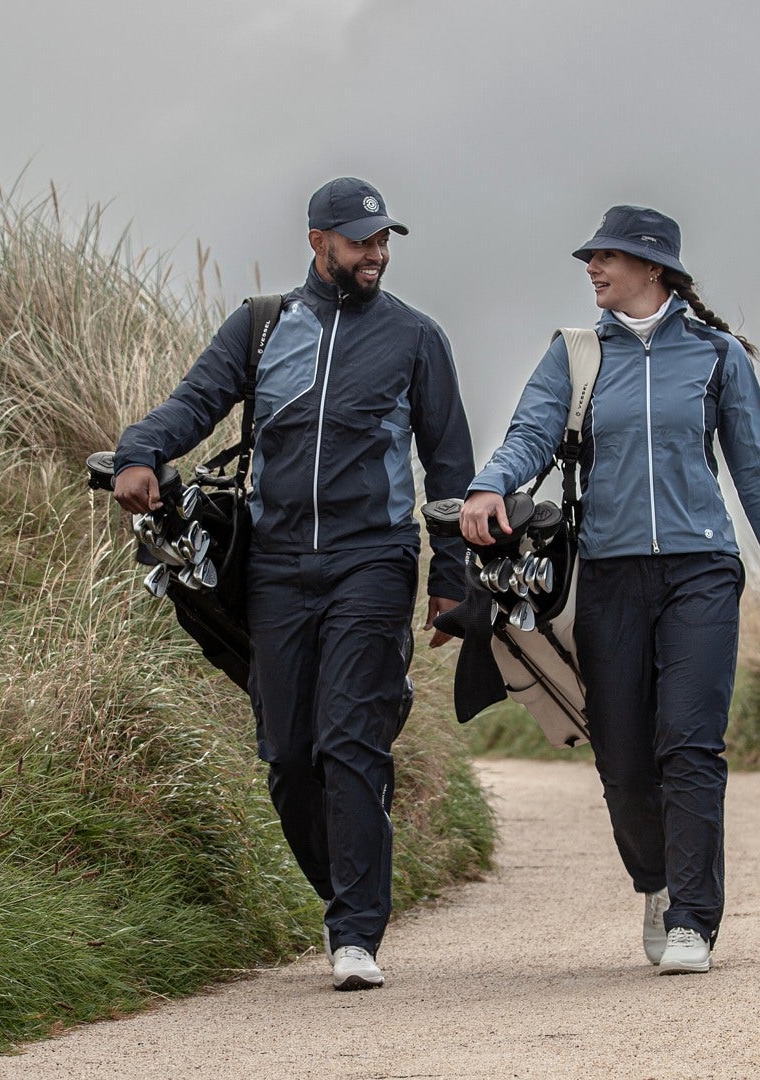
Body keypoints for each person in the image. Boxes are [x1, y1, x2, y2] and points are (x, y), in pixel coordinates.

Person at [113, 178, 473, 991]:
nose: (375, 255)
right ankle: (346, 891)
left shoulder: (416, 338)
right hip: (275, 564)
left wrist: (450, 583)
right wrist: (140, 452)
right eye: (360, 242)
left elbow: (450, 466)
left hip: (372, 559)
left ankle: (356, 932)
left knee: (350, 739)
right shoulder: (262, 326)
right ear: (319, 243)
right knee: (286, 754)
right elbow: (194, 403)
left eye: (382, 241)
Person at [461, 205, 760, 975]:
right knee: (623, 759)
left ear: (653, 268)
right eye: (591, 258)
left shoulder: (717, 356)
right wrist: (491, 483)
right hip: (610, 573)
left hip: (701, 570)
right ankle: (656, 882)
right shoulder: (576, 355)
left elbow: (759, 472)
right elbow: (531, 433)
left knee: (689, 743)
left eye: (608, 257)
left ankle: (693, 918)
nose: (592, 268)